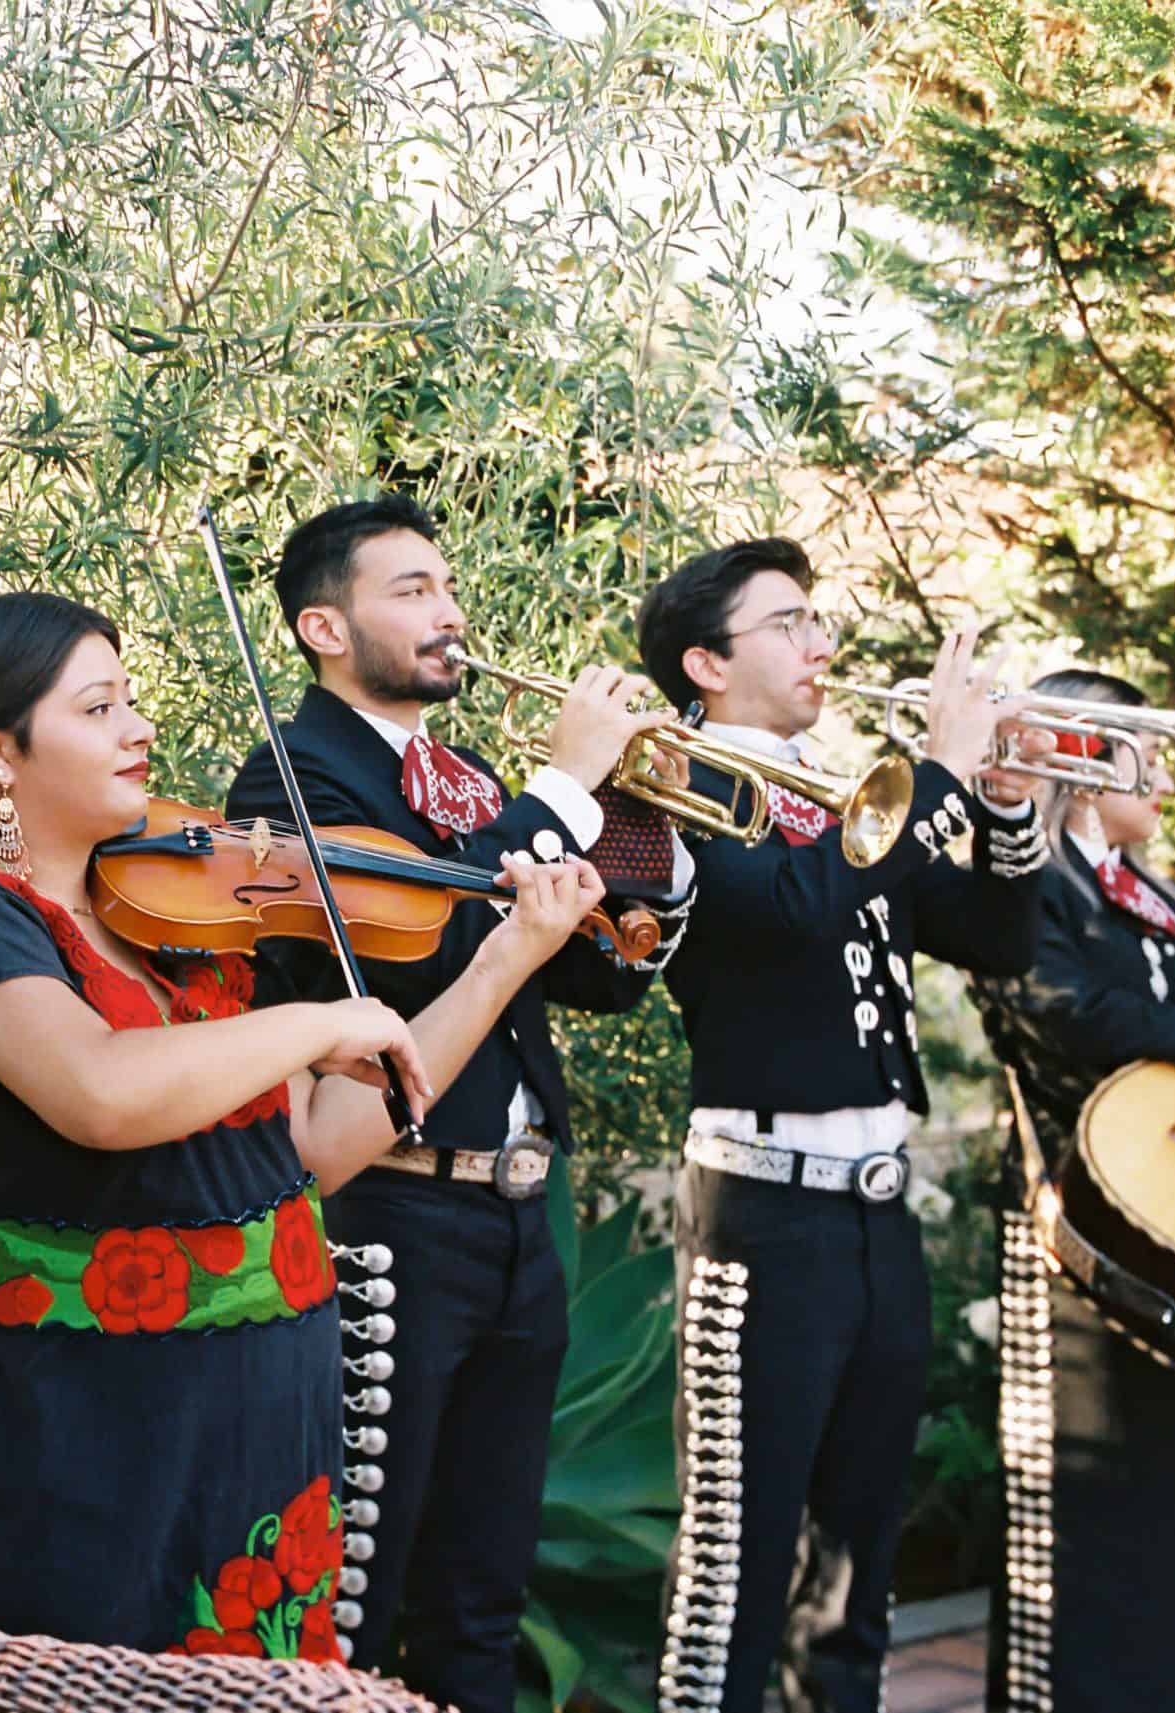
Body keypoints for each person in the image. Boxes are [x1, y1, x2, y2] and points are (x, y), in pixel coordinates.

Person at [0, 590, 606, 1662]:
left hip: (255, 1407)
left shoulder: (178, 934)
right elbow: (102, 1091)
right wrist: (313, 1020)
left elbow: (316, 1145)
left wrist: (506, 958)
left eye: (132, 700)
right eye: (99, 708)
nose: (138, 729)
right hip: (69, 1420)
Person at [222, 496, 692, 1709]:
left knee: (482, 1601)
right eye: (411, 590)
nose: (448, 614)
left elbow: (590, 975)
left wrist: (650, 828)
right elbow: (423, 954)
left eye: (446, 586)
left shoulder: (466, 780)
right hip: (391, 1220)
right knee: (361, 1601)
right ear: (324, 627)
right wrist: (559, 787)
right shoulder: (291, 775)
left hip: (516, 1224)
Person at [632, 538, 1051, 1713]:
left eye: (817, 618)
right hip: (761, 1223)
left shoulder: (841, 793)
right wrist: (938, 774)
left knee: (855, 1575)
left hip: (874, 1218)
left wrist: (1002, 809)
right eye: (789, 624)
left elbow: (996, 943)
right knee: (735, 1574)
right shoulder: (689, 782)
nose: (822, 643)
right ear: (706, 664)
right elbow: (795, 911)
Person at [964, 670, 1175, 1711]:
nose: (1169, 774)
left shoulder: (1159, 893)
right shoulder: (1026, 886)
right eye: (1148, 749)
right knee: (1091, 1541)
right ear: (1086, 762)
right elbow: (1075, 1019)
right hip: (1080, 1241)